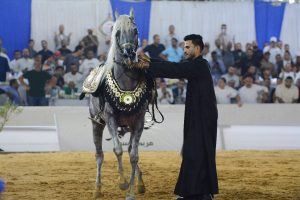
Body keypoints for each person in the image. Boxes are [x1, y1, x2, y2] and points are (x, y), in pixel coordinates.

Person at [142, 34, 218, 200]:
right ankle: (199, 192)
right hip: (199, 115)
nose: (185, 50)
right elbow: (174, 66)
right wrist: (150, 62)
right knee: (195, 152)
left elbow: (175, 70)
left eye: (188, 47)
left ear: (198, 49)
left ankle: (198, 194)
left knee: (195, 152)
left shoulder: (200, 65)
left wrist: (148, 64)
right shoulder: (196, 65)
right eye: (184, 47)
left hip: (203, 117)